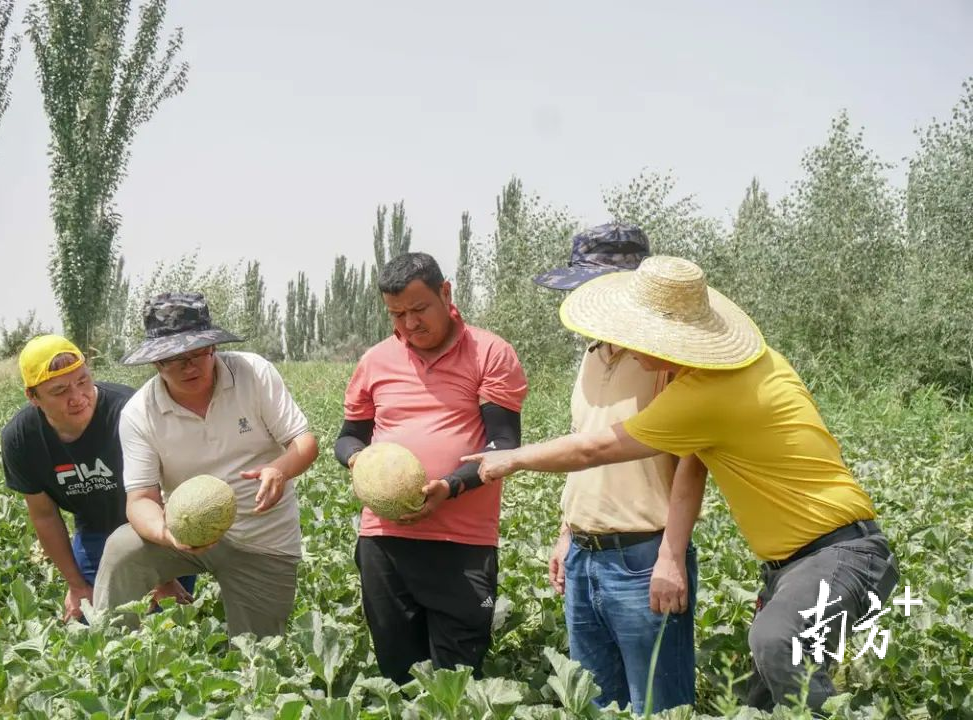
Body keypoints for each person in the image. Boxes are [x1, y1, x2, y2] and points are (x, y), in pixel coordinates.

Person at [464, 255, 900, 712]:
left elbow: (596, 449)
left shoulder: (708, 392)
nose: (631, 349)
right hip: (795, 564)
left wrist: (512, 458)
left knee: (775, 641)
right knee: (761, 704)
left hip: (840, 555)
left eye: (640, 338)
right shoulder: (746, 367)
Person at [334, 252, 528, 685]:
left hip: (461, 542)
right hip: (384, 542)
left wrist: (449, 486)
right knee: (397, 674)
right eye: (396, 314)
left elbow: (504, 444)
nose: (409, 324)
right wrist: (358, 460)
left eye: (419, 309)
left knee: (456, 680)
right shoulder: (375, 360)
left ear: (446, 293)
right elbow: (347, 437)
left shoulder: (490, 352)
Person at [533, 223, 702, 712]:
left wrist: (671, 556)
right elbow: (584, 447)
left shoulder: (668, 360)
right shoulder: (591, 354)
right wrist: (567, 530)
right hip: (585, 556)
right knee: (595, 703)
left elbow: (693, 461)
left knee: (657, 704)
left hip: (643, 557)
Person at [93, 292, 318, 637]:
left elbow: (304, 444)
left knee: (257, 659)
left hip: (263, 540)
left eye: (199, 353)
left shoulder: (253, 373)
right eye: (175, 358)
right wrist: (167, 535)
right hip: (187, 532)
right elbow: (140, 502)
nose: (191, 366)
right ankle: (109, 651)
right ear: (156, 362)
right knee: (123, 550)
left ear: (213, 347)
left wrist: (281, 469)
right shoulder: (140, 414)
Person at [0, 334, 194, 623]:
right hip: (94, 531)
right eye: (59, 390)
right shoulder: (21, 439)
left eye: (82, 381)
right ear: (33, 396)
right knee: (94, 623)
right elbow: (44, 516)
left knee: (168, 623)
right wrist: (76, 585)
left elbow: (168, 489)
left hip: (158, 527)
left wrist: (161, 576)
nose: (77, 397)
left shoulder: (129, 411)